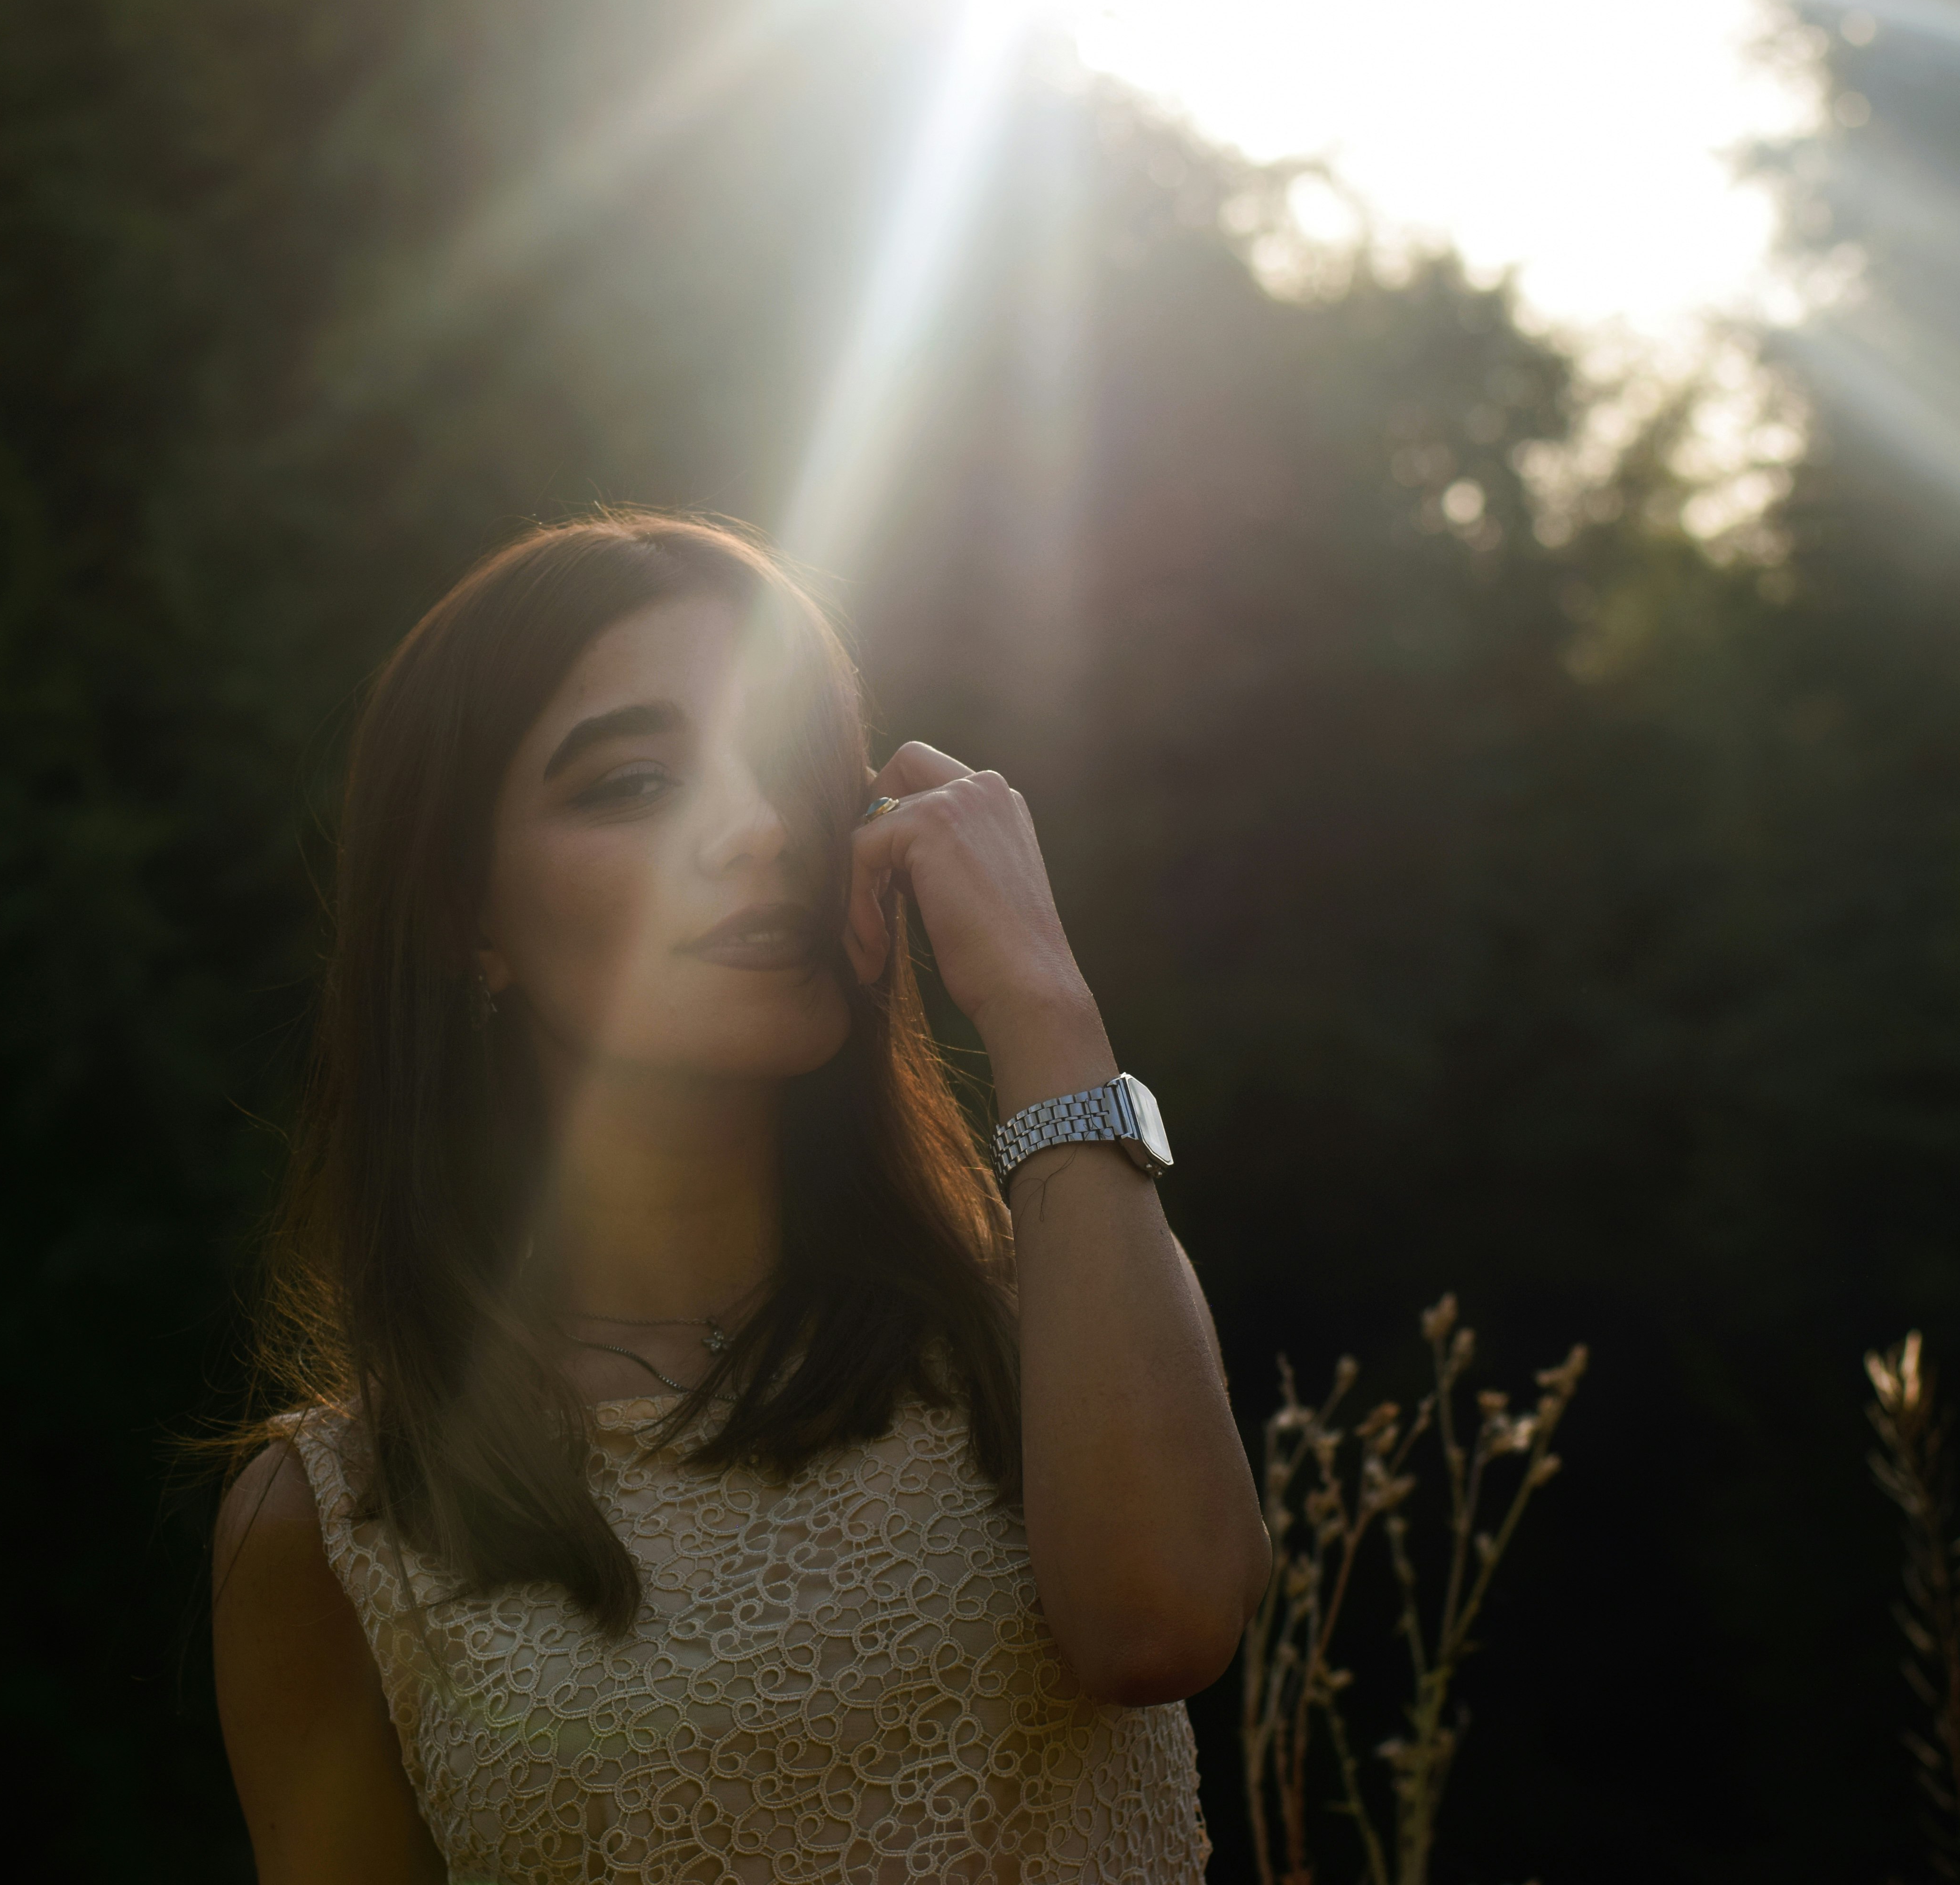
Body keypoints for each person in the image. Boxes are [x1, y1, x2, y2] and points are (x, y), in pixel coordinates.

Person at [210, 510, 1270, 1881]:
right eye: (638, 783)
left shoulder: (1057, 1303)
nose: (761, 831)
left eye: (792, 768)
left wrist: (1040, 995)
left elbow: (1163, 1625)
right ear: (465, 919)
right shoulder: (335, 1522)